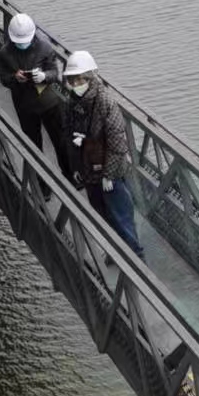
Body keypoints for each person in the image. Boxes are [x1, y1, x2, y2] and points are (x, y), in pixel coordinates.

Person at [57, 50, 144, 258]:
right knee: (101, 216)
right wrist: (75, 167)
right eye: (71, 80)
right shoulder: (71, 103)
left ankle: (136, 259)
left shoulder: (105, 102)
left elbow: (117, 144)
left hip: (109, 173)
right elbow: (69, 137)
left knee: (122, 217)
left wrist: (109, 175)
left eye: (79, 79)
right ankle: (115, 253)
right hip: (88, 170)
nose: (75, 84)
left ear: (90, 77)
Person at [0, 12, 69, 175]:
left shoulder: (45, 47)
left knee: (61, 142)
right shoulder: (4, 53)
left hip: (49, 103)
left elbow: (54, 73)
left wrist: (44, 76)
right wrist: (15, 78)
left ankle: (69, 176)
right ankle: (41, 182)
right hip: (25, 106)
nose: (22, 44)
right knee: (33, 146)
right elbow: (3, 78)